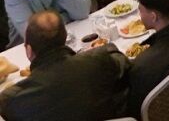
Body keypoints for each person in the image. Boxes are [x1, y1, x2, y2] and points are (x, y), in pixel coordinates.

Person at [0, 11, 129, 121]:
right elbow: (126, 67)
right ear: (65, 37)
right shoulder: (102, 59)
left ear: (28, 50)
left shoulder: (12, 99)